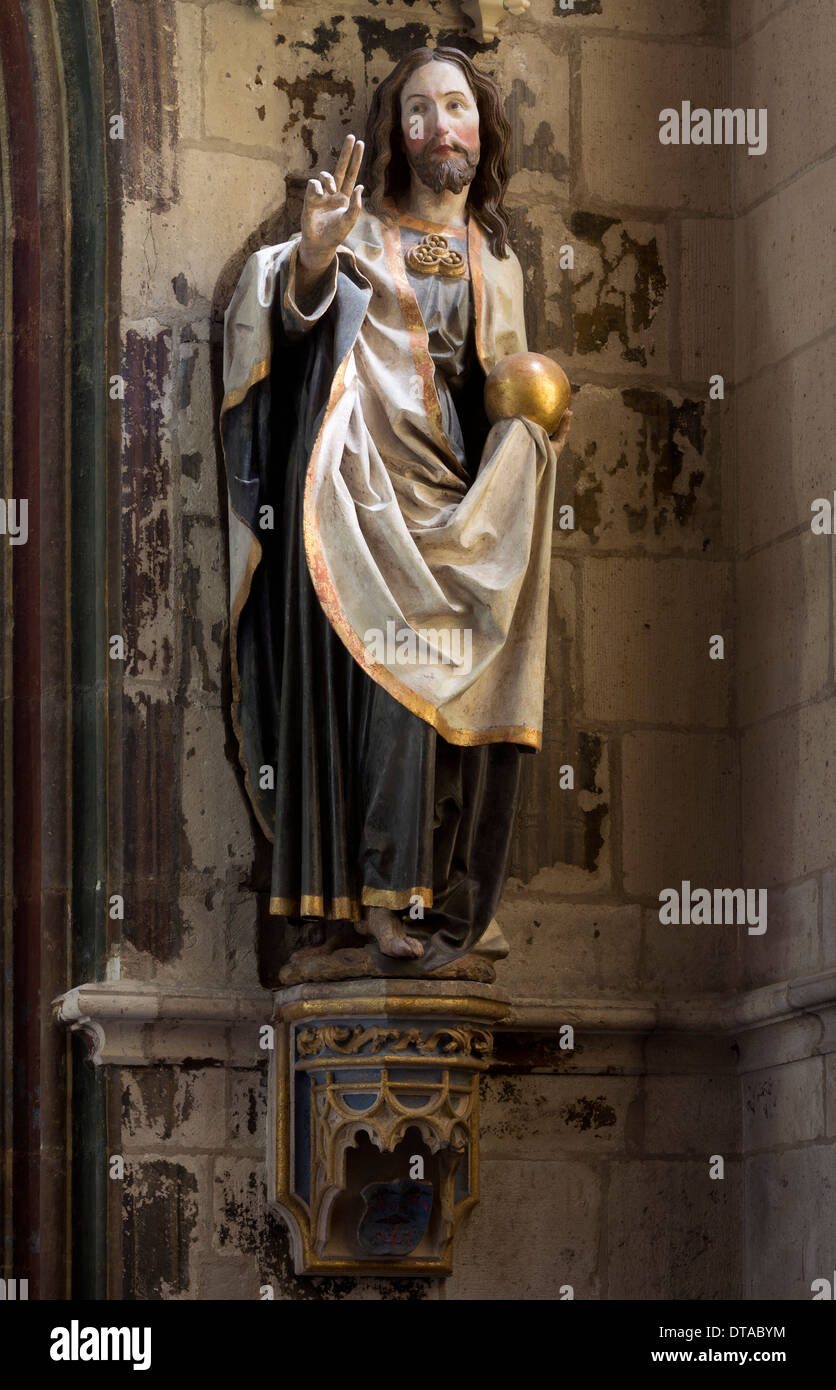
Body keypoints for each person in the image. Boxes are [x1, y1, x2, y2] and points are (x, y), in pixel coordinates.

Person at [221, 46, 572, 977]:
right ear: (396, 133)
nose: (438, 128)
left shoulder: (493, 259)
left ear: (481, 127)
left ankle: (435, 889)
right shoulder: (364, 229)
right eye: (418, 112)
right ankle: (370, 904)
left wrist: (534, 435)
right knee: (377, 699)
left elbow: (501, 386)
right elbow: (288, 322)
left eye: (455, 107)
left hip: (450, 508)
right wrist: (313, 255)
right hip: (354, 497)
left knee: (442, 693)